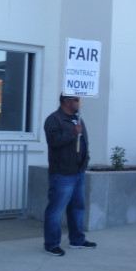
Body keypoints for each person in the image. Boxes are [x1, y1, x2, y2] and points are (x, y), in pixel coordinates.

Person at [43, 94, 96, 255]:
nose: (80, 103)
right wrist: (71, 133)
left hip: (78, 171)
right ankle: (51, 244)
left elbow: (84, 142)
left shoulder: (78, 119)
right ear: (67, 102)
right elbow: (53, 141)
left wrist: (85, 160)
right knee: (56, 209)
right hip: (62, 173)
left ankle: (77, 239)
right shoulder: (54, 119)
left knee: (77, 208)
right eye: (77, 100)